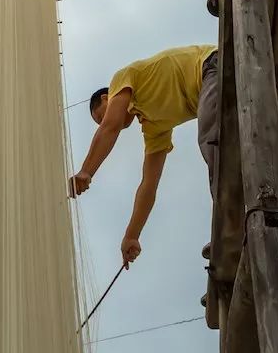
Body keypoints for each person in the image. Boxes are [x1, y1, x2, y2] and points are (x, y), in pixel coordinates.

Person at [69, 45, 218, 265]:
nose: (109, 122)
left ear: (106, 97)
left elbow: (110, 127)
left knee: (212, 142)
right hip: (212, 87)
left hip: (213, 67)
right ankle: (236, 225)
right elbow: (148, 185)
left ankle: (229, 227)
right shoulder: (154, 127)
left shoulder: (124, 78)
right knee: (222, 151)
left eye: (102, 116)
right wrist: (132, 235)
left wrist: (86, 171)